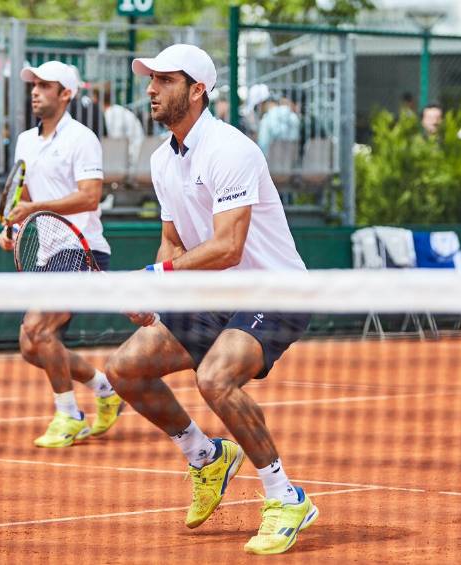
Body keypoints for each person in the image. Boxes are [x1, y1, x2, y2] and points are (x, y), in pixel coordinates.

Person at [104, 44, 317, 556]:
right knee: (124, 369)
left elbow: (228, 247)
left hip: (275, 288)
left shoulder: (232, 150)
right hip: (216, 292)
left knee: (215, 377)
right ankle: (205, 456)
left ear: (197, 90)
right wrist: (156, 292)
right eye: (150, 79)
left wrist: (156, 273)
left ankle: (285, 496)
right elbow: (174, 241)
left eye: (165, 80)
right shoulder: (162, 160)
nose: (151, 89)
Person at [0, 60, 124, 448]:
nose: (35, 91)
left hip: (81, 248)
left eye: (45, 85)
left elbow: (90, 196)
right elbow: (27, 193)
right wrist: (15, 227)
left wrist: (31, 211)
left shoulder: (82, 137)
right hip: (45, 250)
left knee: (39, 329)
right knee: (31, 346)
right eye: (33, 84)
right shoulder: (24, 140)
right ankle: (105, 389)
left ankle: (69, 415)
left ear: (66, 93)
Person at [97, 85, 145, 165]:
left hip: (133, 156)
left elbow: (116, 141)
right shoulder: (116, 110)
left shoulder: (111, 113)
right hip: (135, 153)